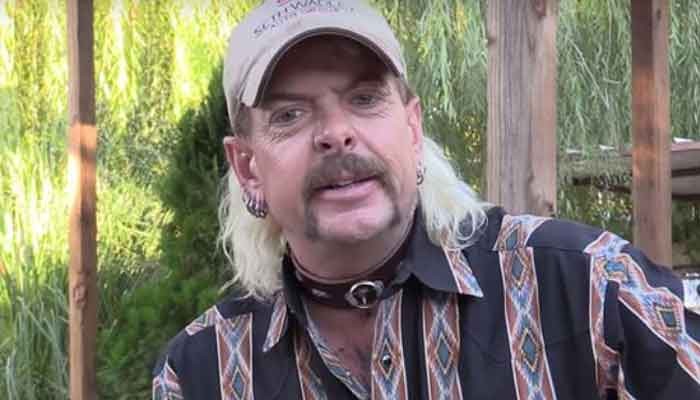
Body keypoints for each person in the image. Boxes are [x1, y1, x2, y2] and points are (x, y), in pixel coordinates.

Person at [152, 1, 700, 398]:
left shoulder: (591, 288)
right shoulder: (203, 371)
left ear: (412, 130)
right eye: (290, 114)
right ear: (247, 167)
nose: (337, 133)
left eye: (364, 98)